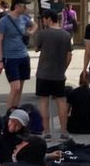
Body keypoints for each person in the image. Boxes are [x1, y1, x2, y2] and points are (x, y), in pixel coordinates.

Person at [30, 9, 73, 139]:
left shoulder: (43, 34)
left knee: (43, 101)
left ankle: (47, 131)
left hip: (43, 73)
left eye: (43, 19)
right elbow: (69, 55)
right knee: (61, 101)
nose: (43, 21)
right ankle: (64, 131)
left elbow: (36, 49)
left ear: (48, 19)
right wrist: (63, 68)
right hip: (59, 74)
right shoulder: (66, 35)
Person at [0, 0, 37, 110]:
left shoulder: (24, 18)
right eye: (24, 6)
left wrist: (30, 32)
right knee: (15, 88)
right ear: (18, 6)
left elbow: (35, 25)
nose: (26, 8)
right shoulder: (4, 21)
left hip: (23, 56)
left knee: (20, 88)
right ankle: (8, 113)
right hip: (10, 57)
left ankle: (15, 110)